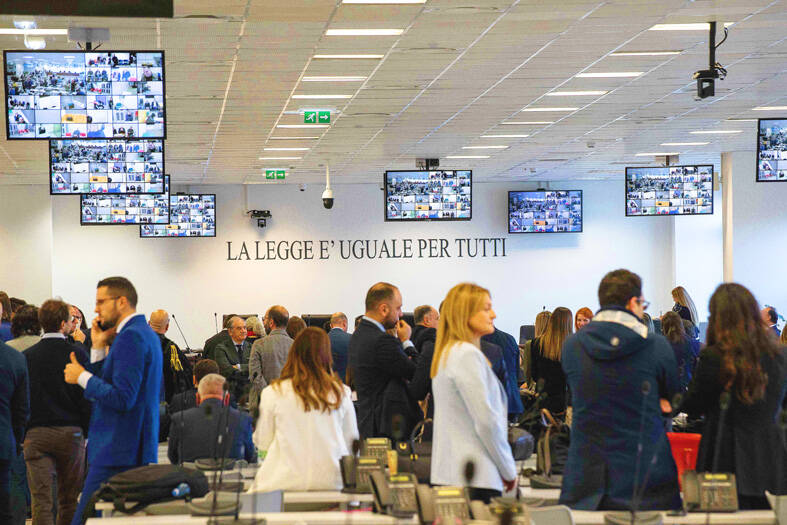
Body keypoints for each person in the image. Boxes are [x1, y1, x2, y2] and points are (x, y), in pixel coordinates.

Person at [560, 269, 681, 511]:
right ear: (633, 302)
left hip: (587, 481)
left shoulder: (572, 346)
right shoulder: (656, 346)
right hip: (647, 477)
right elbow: (673, 404)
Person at [63, 276, 162, 525]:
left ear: (121, 302)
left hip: (118, 449)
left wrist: (81, 376)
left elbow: (123, 397)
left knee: (84, 519)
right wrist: (97, 348)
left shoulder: (131, 337)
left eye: (101, 302)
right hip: (129, 447)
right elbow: (111, 384)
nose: (95, 309)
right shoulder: (141, 334)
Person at [681, 283, 787, 509]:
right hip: (771, 456)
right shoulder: (779, 355)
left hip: (724, 456)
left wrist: (673, 401)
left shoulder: (713, 357)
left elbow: (695, 405)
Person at [430, 283, 516, 503]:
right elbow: (487, 422)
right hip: (475, 477)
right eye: (486, 308)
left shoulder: (448, 353)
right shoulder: (467, 355)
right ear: (465, 314)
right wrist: (508, 469)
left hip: (451, 474)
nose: (493, 314)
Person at [248, 327, 358, 492]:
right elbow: (351, 442)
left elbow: (263, 441)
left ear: (293, 354)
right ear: (327, 356)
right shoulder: (341, 392)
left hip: (283, 482)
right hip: (332, 482)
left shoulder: (273, 393)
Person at [23, 300, 90, 525]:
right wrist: (86, 432)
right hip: (71, 434)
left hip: (36, 434)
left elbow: (22, 399)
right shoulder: (77, 354)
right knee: (69, 499)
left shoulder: (27, 356)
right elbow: (86, 397)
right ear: (63, 323)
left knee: (41, 500)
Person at [348, 282, 417, 439]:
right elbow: (415, 372)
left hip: (367, 423)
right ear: (384, 309)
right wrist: (406, 341)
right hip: (383, 429)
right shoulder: (382, 341)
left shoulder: (358, 335)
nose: (401, 314)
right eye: (398, 308)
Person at [168, 374, 255, 465]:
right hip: (230, 473)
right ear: (227, 398)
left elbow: (173, 458)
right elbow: (250, 456)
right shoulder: (243, 419)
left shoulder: (179, 419)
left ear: (197, 398)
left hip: (191, 473)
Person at [0, 338, 28, 525]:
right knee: (3, 509)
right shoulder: (14, 358)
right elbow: (21, 410)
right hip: (3, 443)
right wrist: (16, 440)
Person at [530, 307, 573, 415]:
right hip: (565, 401)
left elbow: (534, 375)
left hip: (542, 399)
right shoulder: (573, 345)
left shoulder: (536, 343)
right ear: (570, 323)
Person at [149, 309, 193, 403]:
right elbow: (185, 376)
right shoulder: (172, 349)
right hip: (164, 401)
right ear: (167, 326)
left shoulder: (138, 343)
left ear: (148, 323)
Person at [249, 306, 293, 392]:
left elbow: (255, 376)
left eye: (264, 319)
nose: (263, 322)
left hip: (263, 398)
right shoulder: (295, 345)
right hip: (288, 395)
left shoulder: (258, 344)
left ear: (271, 322)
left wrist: (268, 393)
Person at [660, 311, 700, 392]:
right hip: (689, 388)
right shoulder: (693, 344)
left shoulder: (660, 346)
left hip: (668, 390)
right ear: (681, 325)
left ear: (663, 328)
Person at [521, 310, 551, 386]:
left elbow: (527, 373)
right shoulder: (559, 344)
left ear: (537, 325)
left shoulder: (531, 344)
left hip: (537, 388)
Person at [327, 312, 351, 382]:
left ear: (331, 325)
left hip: (326, 384)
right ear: (344, 324)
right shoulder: (352, 339)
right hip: (346, 383)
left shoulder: (322, 340)